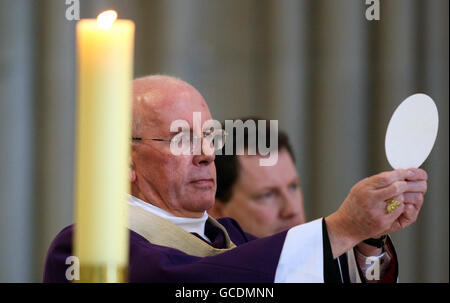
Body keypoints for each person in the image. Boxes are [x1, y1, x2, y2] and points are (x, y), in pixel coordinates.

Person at [43, 75, 428, 283]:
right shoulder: (88, 248)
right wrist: (341, 228)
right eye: (183, 138)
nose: (206, 154)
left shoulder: (232, 238)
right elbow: (189, 283)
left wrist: (366, 241)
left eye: (210, 137)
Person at [210, 117, 421, 282]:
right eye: (267, 195)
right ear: (216, 211)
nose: (291, 209)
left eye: (293, 187)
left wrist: (371, 243)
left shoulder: (325, 264)